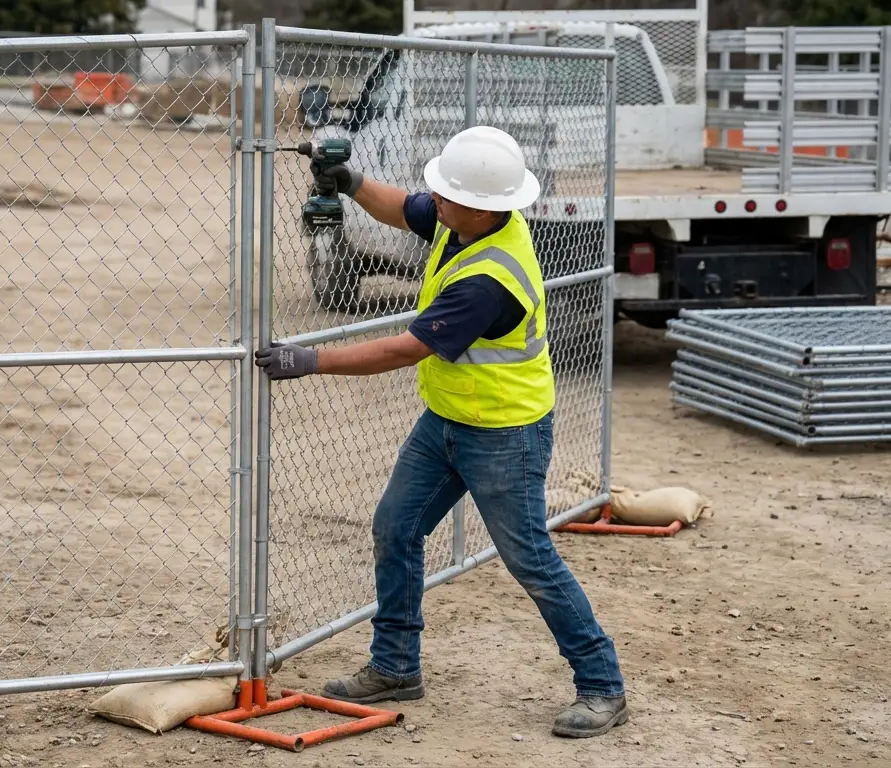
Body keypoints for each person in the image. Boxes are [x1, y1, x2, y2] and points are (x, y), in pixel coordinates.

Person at [255, 126, 628, 738]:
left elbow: (406, 349)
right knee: (396, 528)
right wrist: (347, 181)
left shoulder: (489, 279)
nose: (435, 200)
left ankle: (602, 685)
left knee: (529, 558)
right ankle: (397, 665)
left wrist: (310, 360)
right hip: (450, 420)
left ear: (482, 206)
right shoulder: (470, 218)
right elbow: (404, 208)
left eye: (446, 194)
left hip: (505, 433)